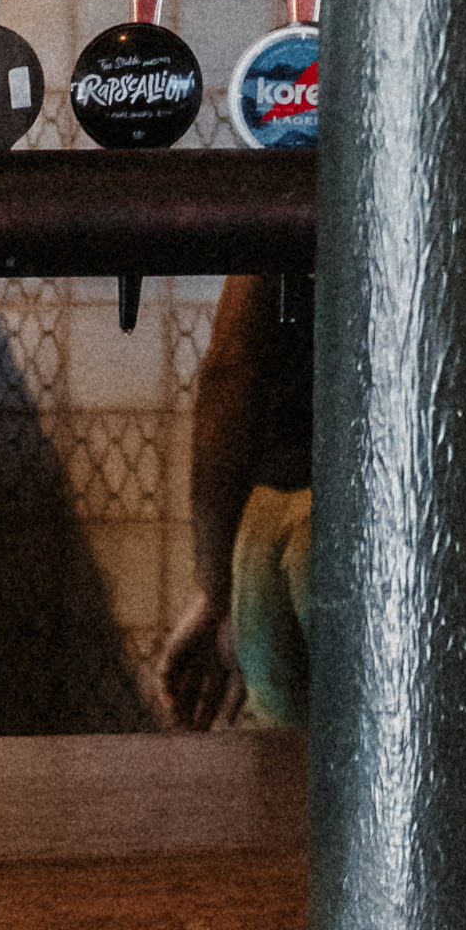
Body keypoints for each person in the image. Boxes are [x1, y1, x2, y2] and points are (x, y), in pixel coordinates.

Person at [158, 264, 315, 724]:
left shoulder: (283, 195)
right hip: (366, 521)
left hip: (272, 529)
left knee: (292, 777)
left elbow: (231, 373)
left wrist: (219, 589)